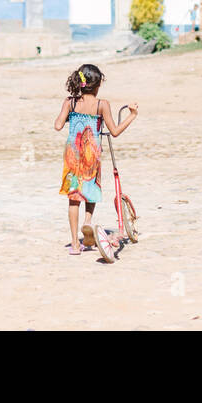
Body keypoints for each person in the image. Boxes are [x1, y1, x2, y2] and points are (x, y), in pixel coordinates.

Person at [54, 63, 137, 261]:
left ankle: (75, 243)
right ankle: (88, 221)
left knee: (74, 198)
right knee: (90, 189)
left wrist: (69, 117)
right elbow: (114, 131)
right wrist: (132, 115)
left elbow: (57, 125)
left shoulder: (70, 102)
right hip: (92, 153)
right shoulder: (102, 105)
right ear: (98, 85)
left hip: (73, 154)